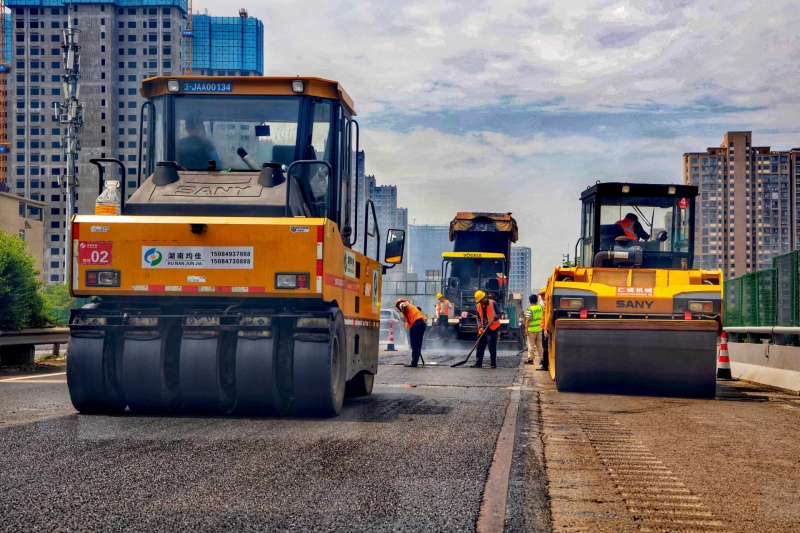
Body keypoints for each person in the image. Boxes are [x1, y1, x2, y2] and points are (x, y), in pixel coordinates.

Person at [472, 290, 501, 369]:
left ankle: (493, 364)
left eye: (481, 300)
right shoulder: (478, 306)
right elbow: (478, 317)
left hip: (492, 328)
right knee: (480, 347)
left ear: (484, 298)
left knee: (492, 347)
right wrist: (480, 326)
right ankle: (478, 364)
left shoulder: (493, 303)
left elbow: (499, 313)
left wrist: (494, 318)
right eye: (479, 301)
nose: (480, 302)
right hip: (482, 329)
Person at [396, 298, 426, 367]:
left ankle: (414, 362)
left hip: (416, 325)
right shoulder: (411, 308)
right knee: (418, 345)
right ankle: (415, 360)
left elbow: (403, 305)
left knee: (414, 345)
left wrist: (401, 305)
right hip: (421, 324)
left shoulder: (405, 304)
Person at [523, 294, 544, 367]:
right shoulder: (540, 307)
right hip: (539, 329)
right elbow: (542, 302)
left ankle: (530, 360)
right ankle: (542, 359)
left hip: (531, 330)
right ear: (536, 300)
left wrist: (526, 329)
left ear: (529, 301)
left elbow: (528, 319)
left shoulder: (530, 309)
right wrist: (540, 297)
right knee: (539, 345)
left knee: (531, 345)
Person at [537, 287, 549, 371]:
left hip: (545, 329)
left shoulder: (545, 305)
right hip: (545, 328)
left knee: (545, 347)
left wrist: (545, 329)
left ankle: (545, 365)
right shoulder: (547, 303)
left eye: (541, 295)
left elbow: (545, 318)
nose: (540, 297)